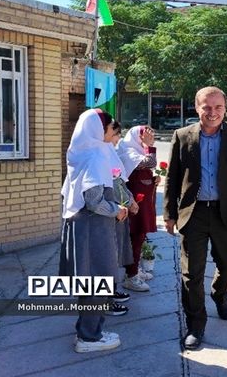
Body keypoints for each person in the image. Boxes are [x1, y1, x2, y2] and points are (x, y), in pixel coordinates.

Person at [163, 86, 227, 350]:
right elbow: (173, 178)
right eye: (207, 107)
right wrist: (169, 213)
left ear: (225, 108)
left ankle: (220, 295)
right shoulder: (182, 136)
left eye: (218, 107)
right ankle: (196, 324)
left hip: (226, 214)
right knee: (191, 273)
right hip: (193, 213)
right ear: (197, 107)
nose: (212, 112)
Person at [60, 108, 127, 353]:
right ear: (99, 130)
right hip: (93, 226)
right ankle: (89, 337)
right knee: (98, 278)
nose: (112, 134)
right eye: (110, 129)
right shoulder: (96, 157)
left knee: (89, 280)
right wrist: (117, 209)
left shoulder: (80, 151)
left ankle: (89, 330)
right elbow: (94, 200)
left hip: (82, 225)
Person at [117, 125, 158, 292]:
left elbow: (146, 169)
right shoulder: (126, 150)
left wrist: (152, 180)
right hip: (134, 204)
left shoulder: (136, 151)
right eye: (144, 136)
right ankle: (131, 276)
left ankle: (134, 271)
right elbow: (151, 161)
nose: (148, 138)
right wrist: (150, 145)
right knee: (135, 236)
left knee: (140, 237)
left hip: (143, 203)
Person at [105, 121, 139, 316]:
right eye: (115, 133)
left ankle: (111, 292)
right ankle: (104, 301)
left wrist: (129, 199)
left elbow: (118, 180)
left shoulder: (108, 153)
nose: (118, 138)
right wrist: (122, 203)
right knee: (104, 258)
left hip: (116, 212)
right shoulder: (95, 155)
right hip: (105, 215)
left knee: (114, 254)